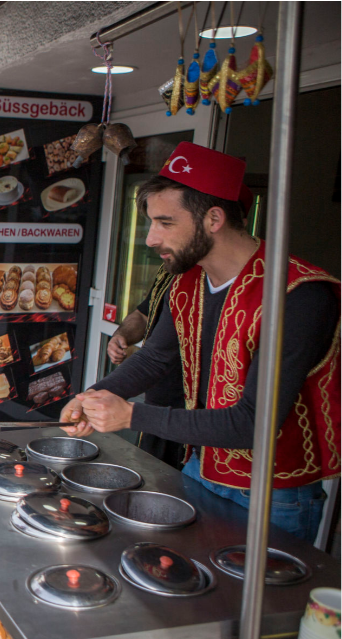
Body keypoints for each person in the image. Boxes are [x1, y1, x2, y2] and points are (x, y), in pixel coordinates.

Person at [61, 142, 339, 542]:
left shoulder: (296, 295)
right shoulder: (188, 281)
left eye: (165, 223)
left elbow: (254, 423)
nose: (151, 239)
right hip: (200, 466)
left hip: (272, 493)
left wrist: (130, 416)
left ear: (213, 218)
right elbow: (155, 359)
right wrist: (94, 394)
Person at [106, 267, 185, 468]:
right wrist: (121, 335)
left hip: (187, 415)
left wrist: (128, 414)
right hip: (155, 402)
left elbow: (154, 358)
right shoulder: (169, 272)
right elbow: (143, 315)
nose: (151, 241)